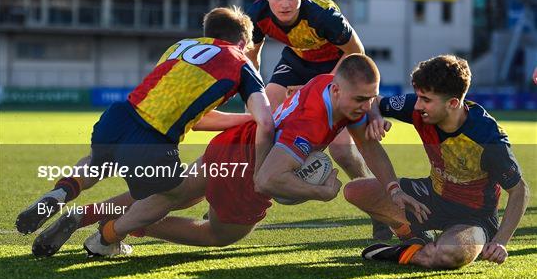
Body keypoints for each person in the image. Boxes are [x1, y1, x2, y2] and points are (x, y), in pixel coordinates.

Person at [34, 55, 428, 257]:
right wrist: (321, 193)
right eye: (361, 100)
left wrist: (392, 184)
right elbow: (267, 180)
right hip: (250, 166)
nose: (365, 106)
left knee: (176, 192)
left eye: (371, 99)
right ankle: (110, 234)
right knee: (219, 234)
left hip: (235, 141)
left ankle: (85, 215)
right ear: (340, 93)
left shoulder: (333, 86)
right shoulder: (310, 125)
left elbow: (367, 141)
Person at [17, 6, 275, 256]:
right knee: (172, 195)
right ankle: (107, 239)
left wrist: (241, 120)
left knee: (98, 163)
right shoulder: (241, 61)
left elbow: (195, 119)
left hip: (120, 115)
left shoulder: (182, 46)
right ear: (243, 42)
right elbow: (265, 121)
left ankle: (63, 190)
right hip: (153, 137)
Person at [246, 0, 390, 239]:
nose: (285, 4)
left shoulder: (323, 15)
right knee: (264, 117)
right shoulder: (257, 14)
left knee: (341, 151)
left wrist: (318, 87)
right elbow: (252, 55)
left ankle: (380, 211)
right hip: (297, 61)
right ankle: (252, 194)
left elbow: (356, 51)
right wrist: (253, 88)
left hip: (337, 66)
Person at [345, 55, 529, 269]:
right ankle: (414, 237)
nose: (418, 105)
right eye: (418, 96)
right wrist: (376, 117)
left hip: (474, 218)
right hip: (431, 197)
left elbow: (520, 190)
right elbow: (374, 101)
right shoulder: (419, 106)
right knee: (355, 191)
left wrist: (500, 241)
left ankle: (405, 253)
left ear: (452, 103)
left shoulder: (487, 137)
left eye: (426, 100)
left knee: (448, 254)